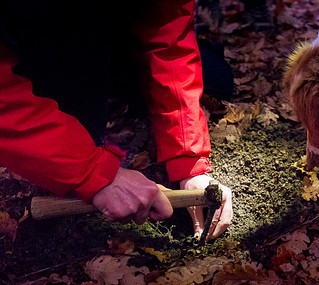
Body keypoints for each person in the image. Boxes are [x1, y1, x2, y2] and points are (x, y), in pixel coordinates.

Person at [0, 0, 233, 239]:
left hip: (105, 26)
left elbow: (168, 35)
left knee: (217, 79)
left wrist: (188, 160)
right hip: (37, 38)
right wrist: (92, 172)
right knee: (83, 125)